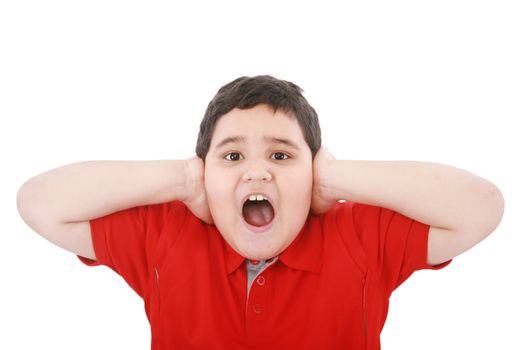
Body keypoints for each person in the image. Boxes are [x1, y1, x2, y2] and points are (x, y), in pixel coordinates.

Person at [16, 75, 505, 349]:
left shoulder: (359, 234)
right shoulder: (165, 233)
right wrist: (186, 181)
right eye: (232, 156)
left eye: (281, 155)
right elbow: (38, 203)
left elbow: (481, 208)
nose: (256, 173)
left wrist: (334, 180)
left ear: (312, 172)